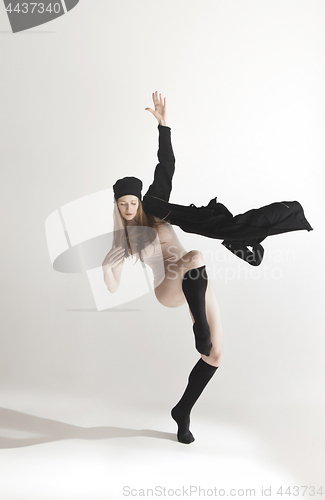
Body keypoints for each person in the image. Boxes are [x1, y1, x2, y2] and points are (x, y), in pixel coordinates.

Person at [102, 91, 313, 445]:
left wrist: (164, 126)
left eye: (131, 202)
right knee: (196, 256)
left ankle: (182, 411)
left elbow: (165, 166)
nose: (127, 208)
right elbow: (112, 287)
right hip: (169, 289)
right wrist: (109, 268)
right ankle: (199, 325)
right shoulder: (125, 236)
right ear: (117, 206)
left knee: (215, 354)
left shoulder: (155, 207)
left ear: (140, 200)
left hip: (193, 281)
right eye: (121, 204)